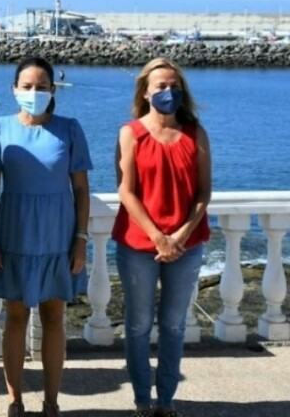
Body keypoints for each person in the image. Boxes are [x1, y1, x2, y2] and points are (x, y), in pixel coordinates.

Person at [0, 56, 91, 417]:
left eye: (41, 87)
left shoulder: (70, 128)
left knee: (54, 318)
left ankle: (51, 402)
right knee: (14, 318)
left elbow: (81, 190)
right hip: (14, 233)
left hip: (58, 235)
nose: (33, 92)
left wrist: (80, 240)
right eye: (27, 86)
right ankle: (15, 401)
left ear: (52, 90)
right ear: (14, 90)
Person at [112, 57, 211, 417]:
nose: (168, 92)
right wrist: (158, 236)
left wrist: (181, 234)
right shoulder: (130, 133)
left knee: (173, 324)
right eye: (160, 86)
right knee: (138, 325)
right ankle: (142, 399)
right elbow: (126, 191)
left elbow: (203, 192)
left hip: (186, 243)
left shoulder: (195, 133)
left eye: (174, 85)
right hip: (139, 245)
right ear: (145, 91)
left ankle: (166, 400)